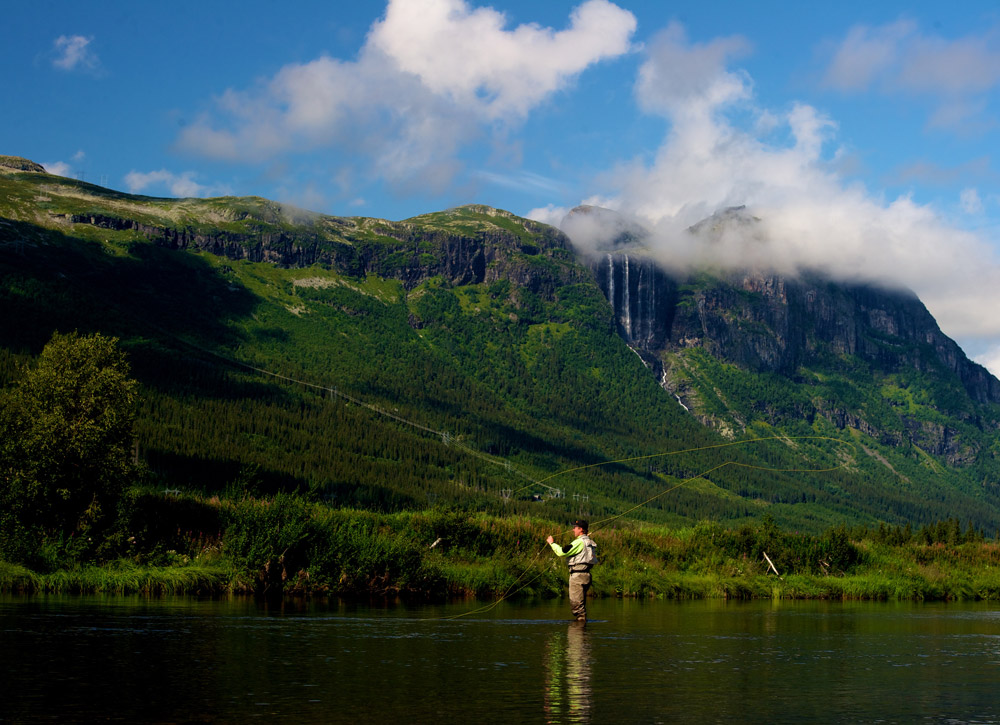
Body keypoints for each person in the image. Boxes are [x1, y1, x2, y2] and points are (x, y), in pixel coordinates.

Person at [547, 520, 597, 622]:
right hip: (586, 576)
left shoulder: (579, 542)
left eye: (575, 527)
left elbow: (562, 552)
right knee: (580, 605)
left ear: (581, 530)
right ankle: (583, 632)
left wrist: (552, 543)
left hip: (577, 576)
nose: (573, 529)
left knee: (577, 606)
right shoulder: (589, 541)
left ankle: (579, 632)